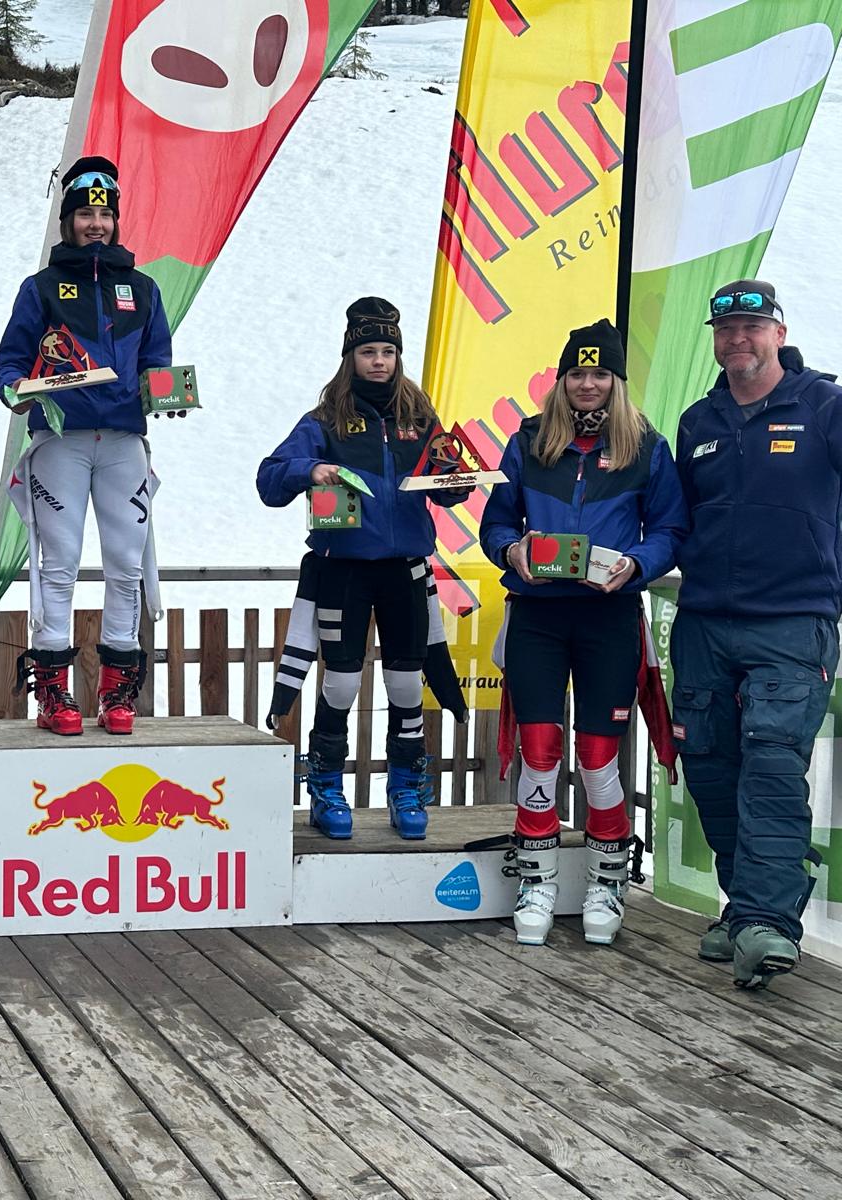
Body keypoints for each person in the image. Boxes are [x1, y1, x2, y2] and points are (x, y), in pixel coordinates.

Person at [479, 319, 687, 946]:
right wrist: (511, 550)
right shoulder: (530, 440)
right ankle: (536, 880)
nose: (587, 384)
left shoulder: (646, 446)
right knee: (540, 751)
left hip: (608, 616)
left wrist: (637, 565)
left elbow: (671, 529)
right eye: (577, 372)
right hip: (538, 615)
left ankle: (607, 879)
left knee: (598, 758)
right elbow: (496, 522)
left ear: (616, 381)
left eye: (600, 373)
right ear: (562, 379)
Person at [671, 280, 842, 989]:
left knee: (771, 765)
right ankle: (744, 908)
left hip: (793, 623)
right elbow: (677, 519)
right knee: (710, 767)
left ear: (779, 332)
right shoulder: (697, 422)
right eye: (726, 329)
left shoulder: (824, 406)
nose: (737, 338)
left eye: (751, 326)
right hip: (704, 623)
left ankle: (767, 924)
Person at [257, 298, 468, 840]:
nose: (379, 361)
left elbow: (450, 486)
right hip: (344, 571)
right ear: (350, 356)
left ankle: (405, 785)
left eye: (388, 352)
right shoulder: (325, 419)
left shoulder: (420, 418)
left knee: (405, 683)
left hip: (405, 570)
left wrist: (454, 478)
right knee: (343, 683)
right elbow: (269, 479)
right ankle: (326, 783)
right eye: (368, 351)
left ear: (399, 357)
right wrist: (312, 468)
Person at [0, 155, 172, 735]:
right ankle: (52, 692)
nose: (96, 224)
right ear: (67, 221)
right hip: (60, 439)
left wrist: (166, 393)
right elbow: (10, 362)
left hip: (123, 440)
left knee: (125, 563)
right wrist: (15, 391)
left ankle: (118, 691)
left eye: (105, 215)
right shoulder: (41, 288)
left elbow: (158, 361)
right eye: (85, 214)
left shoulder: (142, 288)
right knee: (59, 563)